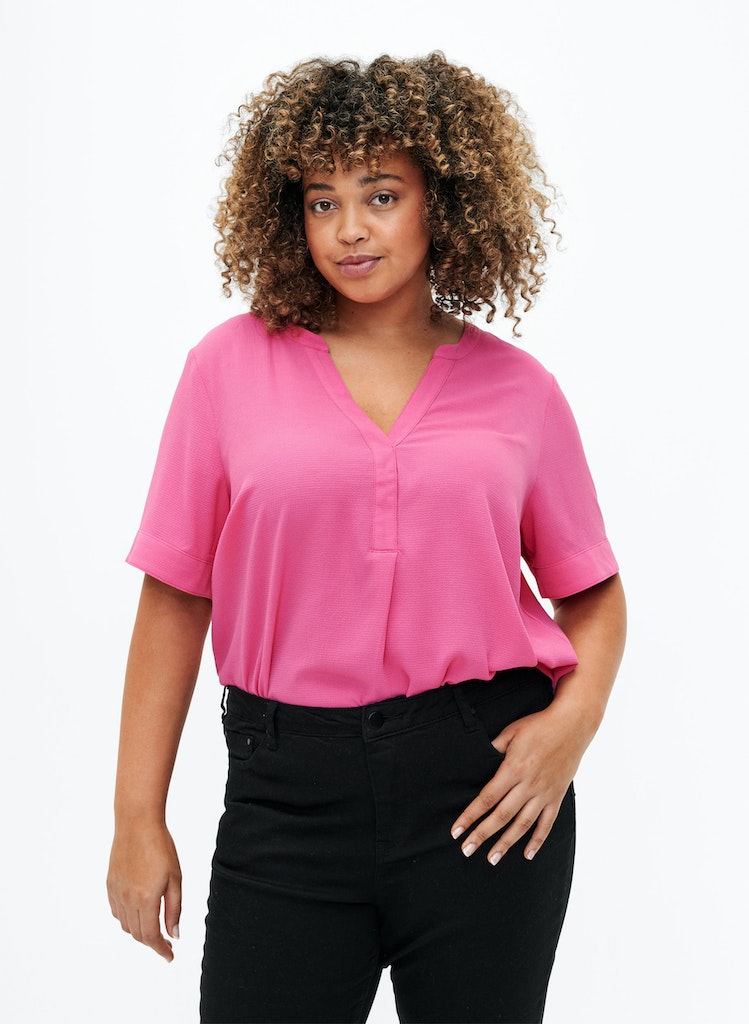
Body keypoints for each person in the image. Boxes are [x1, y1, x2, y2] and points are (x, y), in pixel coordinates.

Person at [107, 51, 626, 1024]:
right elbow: (175, 595)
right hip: (285, 793)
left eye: (380, 195)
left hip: (483, 790)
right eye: (322, 202)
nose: (348, 228)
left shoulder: (521, 393)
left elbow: (589, 590)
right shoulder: (226, 369)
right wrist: (137, 815)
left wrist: (572, 723)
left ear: (444, 201)